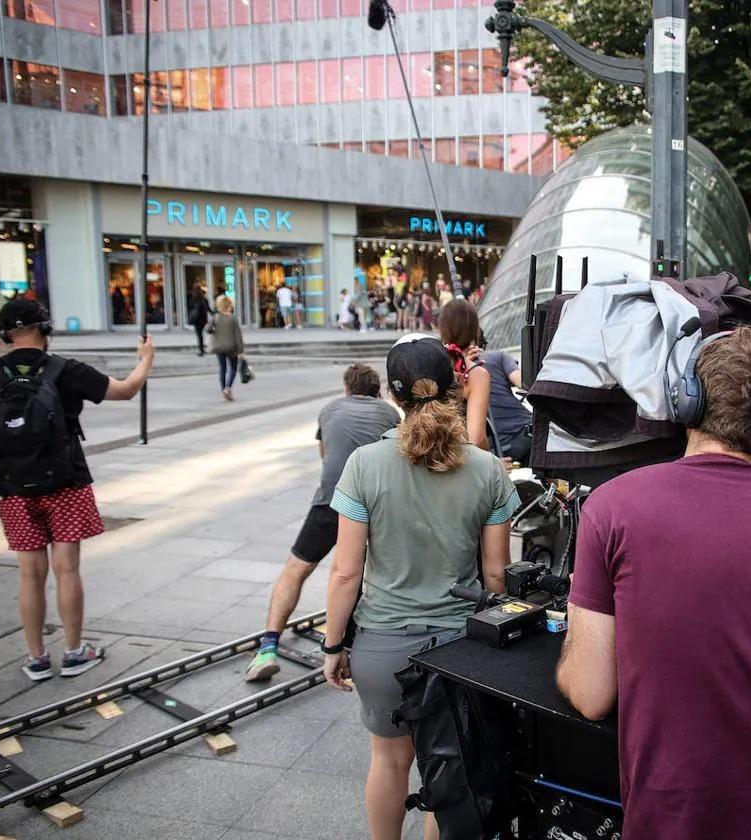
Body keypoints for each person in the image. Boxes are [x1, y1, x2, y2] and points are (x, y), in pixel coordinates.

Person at [557, 326, 751, 839]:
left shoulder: (613, 506)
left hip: (688, 813)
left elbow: (591, 695)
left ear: (685, 403)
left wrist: (569, 657)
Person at [321, 334, 518, 840]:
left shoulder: (364, 464)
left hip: (383, 644)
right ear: (455, 387)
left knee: (388, 761)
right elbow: (496, 578)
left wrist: (334, 643)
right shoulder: (487, 468)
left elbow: (345, 572)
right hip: (458, 649)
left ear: (393, 394)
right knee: (446, 767)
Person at [0, 299, 154, 680]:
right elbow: (126, 390)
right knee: (66, 569)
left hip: (13, 488)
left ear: (5, 333)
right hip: (64, 484)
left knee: (29, 574)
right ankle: (73, 651)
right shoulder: (64, 370)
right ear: (45, 330)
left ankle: (36, 659)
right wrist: (145, 358)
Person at [244, 363, 399, 682]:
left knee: (295, 569)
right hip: (372, 505)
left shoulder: (328, 409)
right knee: (356, 571)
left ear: (346, 389)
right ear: (377, 391)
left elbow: (325, 454)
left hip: (330, 500)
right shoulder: (389, 414)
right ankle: (349, 639)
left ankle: (268, 647)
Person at [438, 299, 490, 451]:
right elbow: (476, 439)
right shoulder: (476, 374)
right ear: (475, 330)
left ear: (441, 328)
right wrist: (492, 462)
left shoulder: (428, 362)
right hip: (456, 458)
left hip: (420, 454)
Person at [481, 345, 531, 463]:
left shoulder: (453, 368)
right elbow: (525, 383)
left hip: (491, 449)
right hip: (524, 433)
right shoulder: (498, 356)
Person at [207, 294, 243, 401]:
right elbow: (238, 335)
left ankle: (223, 390)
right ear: (229, 305)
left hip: (219, 347)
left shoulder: (215, 317)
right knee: (233, 368)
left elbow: (207, 329)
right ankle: (228, 387)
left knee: (222, 369)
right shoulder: (232, 318)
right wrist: (241, 350)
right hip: (231, 347)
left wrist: (215, 331)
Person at [188, 285, 213, 356]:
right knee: (203, 333)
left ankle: (201, 349)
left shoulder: (193, 299)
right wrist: (213, 314)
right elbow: (208, 308)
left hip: (196, 319)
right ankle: (204, 348)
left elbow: (190, 307)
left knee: (199, 335)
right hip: (203, 319)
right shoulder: (204, 299)